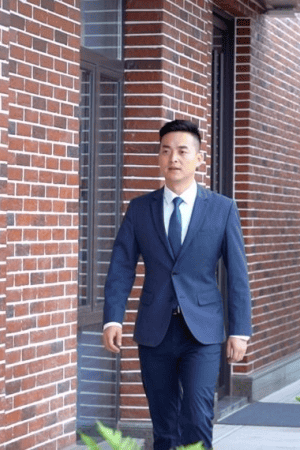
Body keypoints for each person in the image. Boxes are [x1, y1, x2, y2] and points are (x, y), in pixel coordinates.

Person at [102, 119, 252, 450]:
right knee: (164, 426)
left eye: (183, 151)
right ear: (159, 157)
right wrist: (113, 318)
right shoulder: (140, 209)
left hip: (202, 332)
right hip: (155, 331)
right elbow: (122, 266)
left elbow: (237, 273)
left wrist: (239, 330)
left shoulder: (222, 209)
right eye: (166, 151)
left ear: (199, 158)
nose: (174, 158)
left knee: (197, 417)